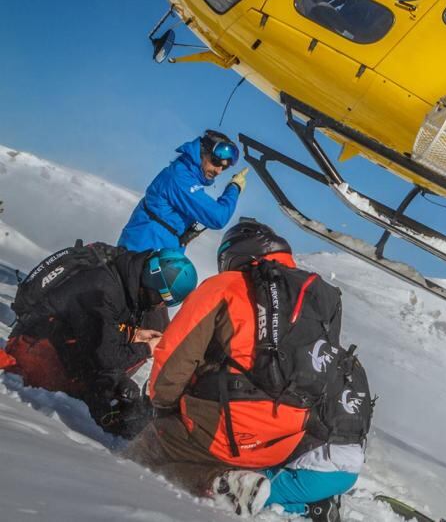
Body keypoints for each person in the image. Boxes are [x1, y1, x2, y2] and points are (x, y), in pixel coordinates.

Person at [127, 219, 370, 520]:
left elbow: (175, 358)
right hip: (285, 442)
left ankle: (218, 484)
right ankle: (267, 490)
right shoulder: (315, 299)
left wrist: (162, 406)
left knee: (141, 455)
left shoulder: (224, 286)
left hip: (224, 431)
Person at [0, 243, 197, 438]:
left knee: (120, 389)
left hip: (62, 342)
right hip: (35, 350)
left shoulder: (126, 277)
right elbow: (107, 357)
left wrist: (133, 336)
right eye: (161, 299)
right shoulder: (102, 289)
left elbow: (98, 332)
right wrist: (146, 348)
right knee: (112, 383)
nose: (160, 305)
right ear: (153, 284)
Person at [119, 129, 249, 252]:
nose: (218, 171)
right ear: (202, 152)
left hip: (155, 255)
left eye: (224, 167)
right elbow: (218, 217)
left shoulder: (186, 176)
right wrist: (234, 188)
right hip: (142, 256)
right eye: (215, 162)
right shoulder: (180, 178)